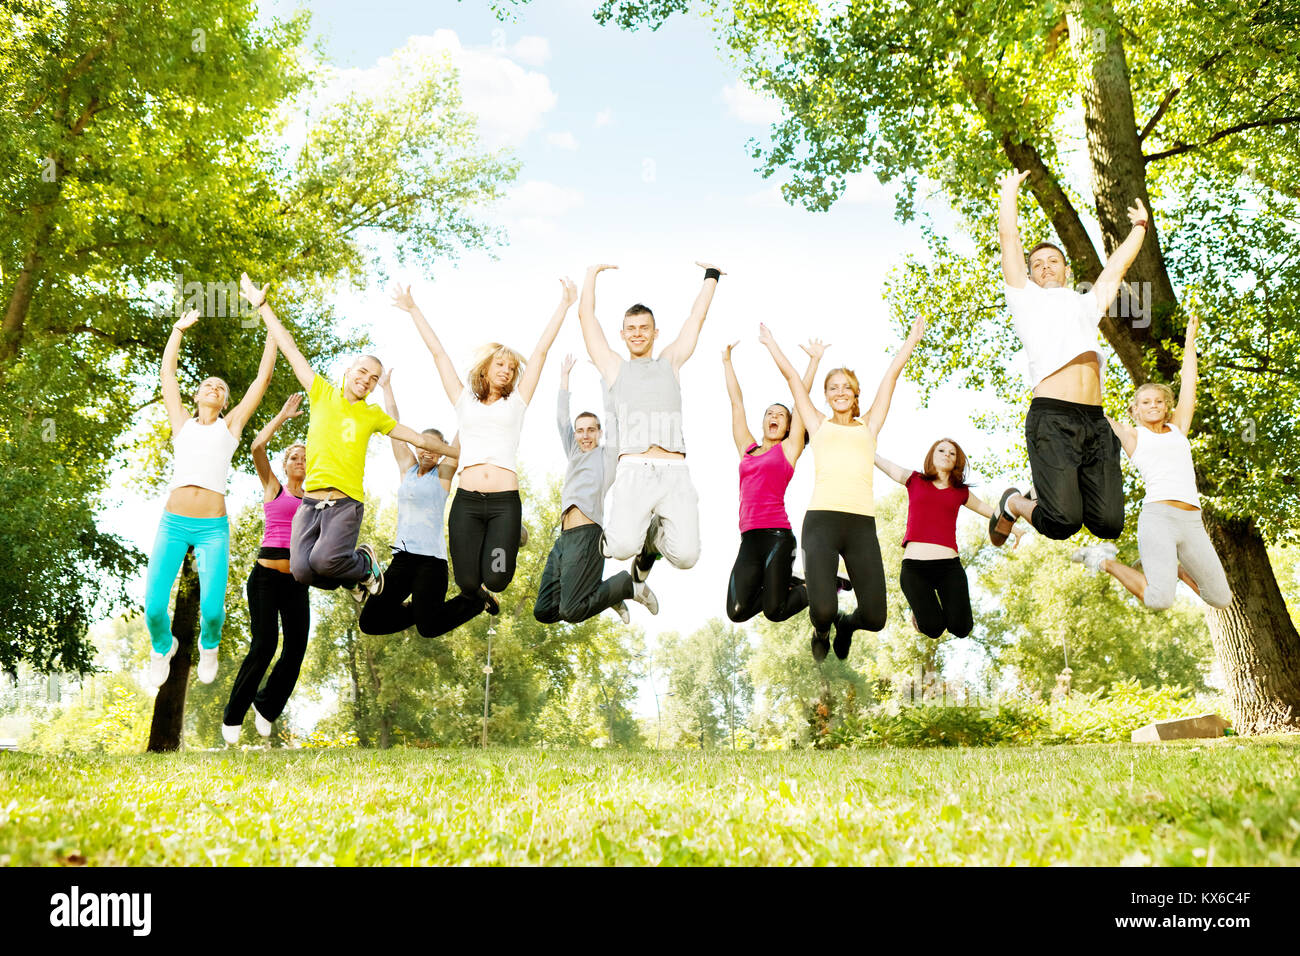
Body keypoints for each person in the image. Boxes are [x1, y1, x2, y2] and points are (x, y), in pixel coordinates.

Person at [238, 273, 457, 602]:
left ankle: (365, 565)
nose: (367, 381)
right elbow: (289, 347)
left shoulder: (372, 415)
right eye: (362, 373)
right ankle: (355, 576)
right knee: (302, 570)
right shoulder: (321, 392)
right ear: (348, 372)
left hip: (344, 503)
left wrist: (459, 451)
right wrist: (263, 306)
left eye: (374, 379)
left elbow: (420, 440)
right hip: (310, 503)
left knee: (325, 559)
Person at [987, 168, 1150, 546]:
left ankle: (1049, 484)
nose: (1045, 266)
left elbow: (1117, 267)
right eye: (1037, 264)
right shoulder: (1024, 299)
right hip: (1053, 417)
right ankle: (1014, 502)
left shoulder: (1086, 304)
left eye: (1052, 261)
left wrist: (1140, 225)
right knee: (1061, 521)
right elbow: (1009, 240)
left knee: (1109, 524)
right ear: (1029, 274)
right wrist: (1009, 192)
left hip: (1096, 423)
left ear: (1067, 269)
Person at [391, 278, 572, 602]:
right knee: (467, 582)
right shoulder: (464, 401)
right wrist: (413, 309)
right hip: (468, 503)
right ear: (485, 369)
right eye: (499, 364)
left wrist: (564, 305)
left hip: (504, 502)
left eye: (512, 367)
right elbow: (438, 354)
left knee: (498, 578)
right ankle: (495, 550)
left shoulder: (517, 402)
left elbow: (541, 352)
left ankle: (509, 534)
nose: (506, 370)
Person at [761, 316, 926, 662]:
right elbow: (793, 380)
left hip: (860, 526)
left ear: (855, 395)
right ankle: (823, 629)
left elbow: (891, 377)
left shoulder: (870, 425)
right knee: (822, 609)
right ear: (825, 395)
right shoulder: (817, 424)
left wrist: (911, 340)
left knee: (877, 617)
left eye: (845, 387)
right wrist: (771, 343)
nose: (839, 392)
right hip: (821, 523)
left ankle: (847, 626)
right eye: (832, 387)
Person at [146, 309, 276, 688]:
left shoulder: (230, 426)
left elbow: (262, 379)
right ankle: (161, 646)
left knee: (213, 612)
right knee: (154, 608)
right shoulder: (181, 423)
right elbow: (167, 374)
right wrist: (177, 331)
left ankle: (209, 646)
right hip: (172, 524)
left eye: (221, 388)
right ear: (198, 394)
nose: (215, 389)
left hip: (212, 530)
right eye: (209, 385)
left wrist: (271, 331)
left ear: (224, 401)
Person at [577, 261, 724, 592]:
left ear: (655, 332)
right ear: (623, 334)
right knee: (619, 548)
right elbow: (587, 319)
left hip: (675, 472)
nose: (638, 333)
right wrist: (591, 274)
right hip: (635, 469)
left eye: (644, 327)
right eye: (631, 328)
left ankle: (653, 543)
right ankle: (630, 543)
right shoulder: (615, 367)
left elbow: (695, 320)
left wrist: (711, 277)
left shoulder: (670, 361)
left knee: (687, 556)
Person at [1071, 314, 1232, 610]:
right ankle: (1103, 560)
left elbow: (1189, 383)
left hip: (1192, 522)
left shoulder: (1178, 427)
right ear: (1135, 410)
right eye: (1146, 402)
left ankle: (1177, 569)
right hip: (1158, 518)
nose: (1153, 405)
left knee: (1221, 599)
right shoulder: (1133, 437)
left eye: (1159, 401)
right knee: (1160, 599)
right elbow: (1094, 407)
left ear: (1167, 405)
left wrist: (1191, 341)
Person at [357, 369, 499, 639]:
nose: (427, 451)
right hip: (402, 560)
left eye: (435, 448)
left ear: (442, 451)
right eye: (423, 445)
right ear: (417, 445)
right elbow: (392, 425)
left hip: (431, 564)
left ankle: (474, 601)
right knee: (370, 622)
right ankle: (417, 610)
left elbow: (463, 435)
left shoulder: (443, 475)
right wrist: (386, 387)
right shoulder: (407, 468)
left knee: (429, 628)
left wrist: (478, 397)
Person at [534, 355, 658, 626]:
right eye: (580, 431)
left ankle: (624, 585)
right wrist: (564, 379)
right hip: (564, 538)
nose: (585, 435)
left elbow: (614, 419)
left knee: (571, 611)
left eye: (591, 430)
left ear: (600, 433)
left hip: (587, 535)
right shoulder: (574, 452)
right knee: (543, 611)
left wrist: (603, 377)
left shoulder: (606, 456)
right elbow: (560, 419)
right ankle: (605, 594)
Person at [222, 395, 310, 742]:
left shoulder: (316, 499)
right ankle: (233, 716)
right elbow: (257, 446)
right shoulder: (274, 488)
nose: (300, 460)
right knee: (264, 644)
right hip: (265, 578)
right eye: (293, 457)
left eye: (305, 457)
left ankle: (267, 706)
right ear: (285, 465)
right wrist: (284, 417)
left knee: (296, 647)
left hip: (296, 582)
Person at [874, 438, 1025, 640]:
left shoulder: (960, 491)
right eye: (942, 450)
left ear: (957, 461)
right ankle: (920, 608)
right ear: (932, 456)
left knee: (962, 628)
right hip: (914, 569)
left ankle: (928, 606)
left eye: (952, 453)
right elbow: (886, 464)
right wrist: (866, 448)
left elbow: (988, 510)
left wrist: (1013, 528)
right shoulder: (914, 479)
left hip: (949, 568)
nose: (947, 454)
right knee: (933, 628)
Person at [721, 337, 825, 623]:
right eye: (770, 413)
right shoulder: (748, 449)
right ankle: (781, 579)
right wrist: (727, 362)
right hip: (749, 539)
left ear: (789, 425)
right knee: (737, 612)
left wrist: (813, 362)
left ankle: (818, 585)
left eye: (781, 414)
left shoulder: (789, 450)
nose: (774, 416)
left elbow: (800, 398)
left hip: (777, 535)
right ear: (764, 421)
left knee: (774, 611)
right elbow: (736, 404)